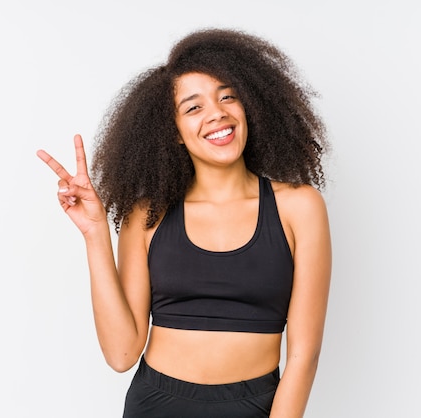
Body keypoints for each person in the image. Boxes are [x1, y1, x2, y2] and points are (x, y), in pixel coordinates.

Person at [37, 27, 332, 418]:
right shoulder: (147, 215)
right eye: (194, 107)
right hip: (155, 403)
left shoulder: (299, 207)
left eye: (228, 96)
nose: (217, 113)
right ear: (172, 132)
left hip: (255, 405)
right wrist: (95, 234)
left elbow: (303, 354)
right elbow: (122, 353)